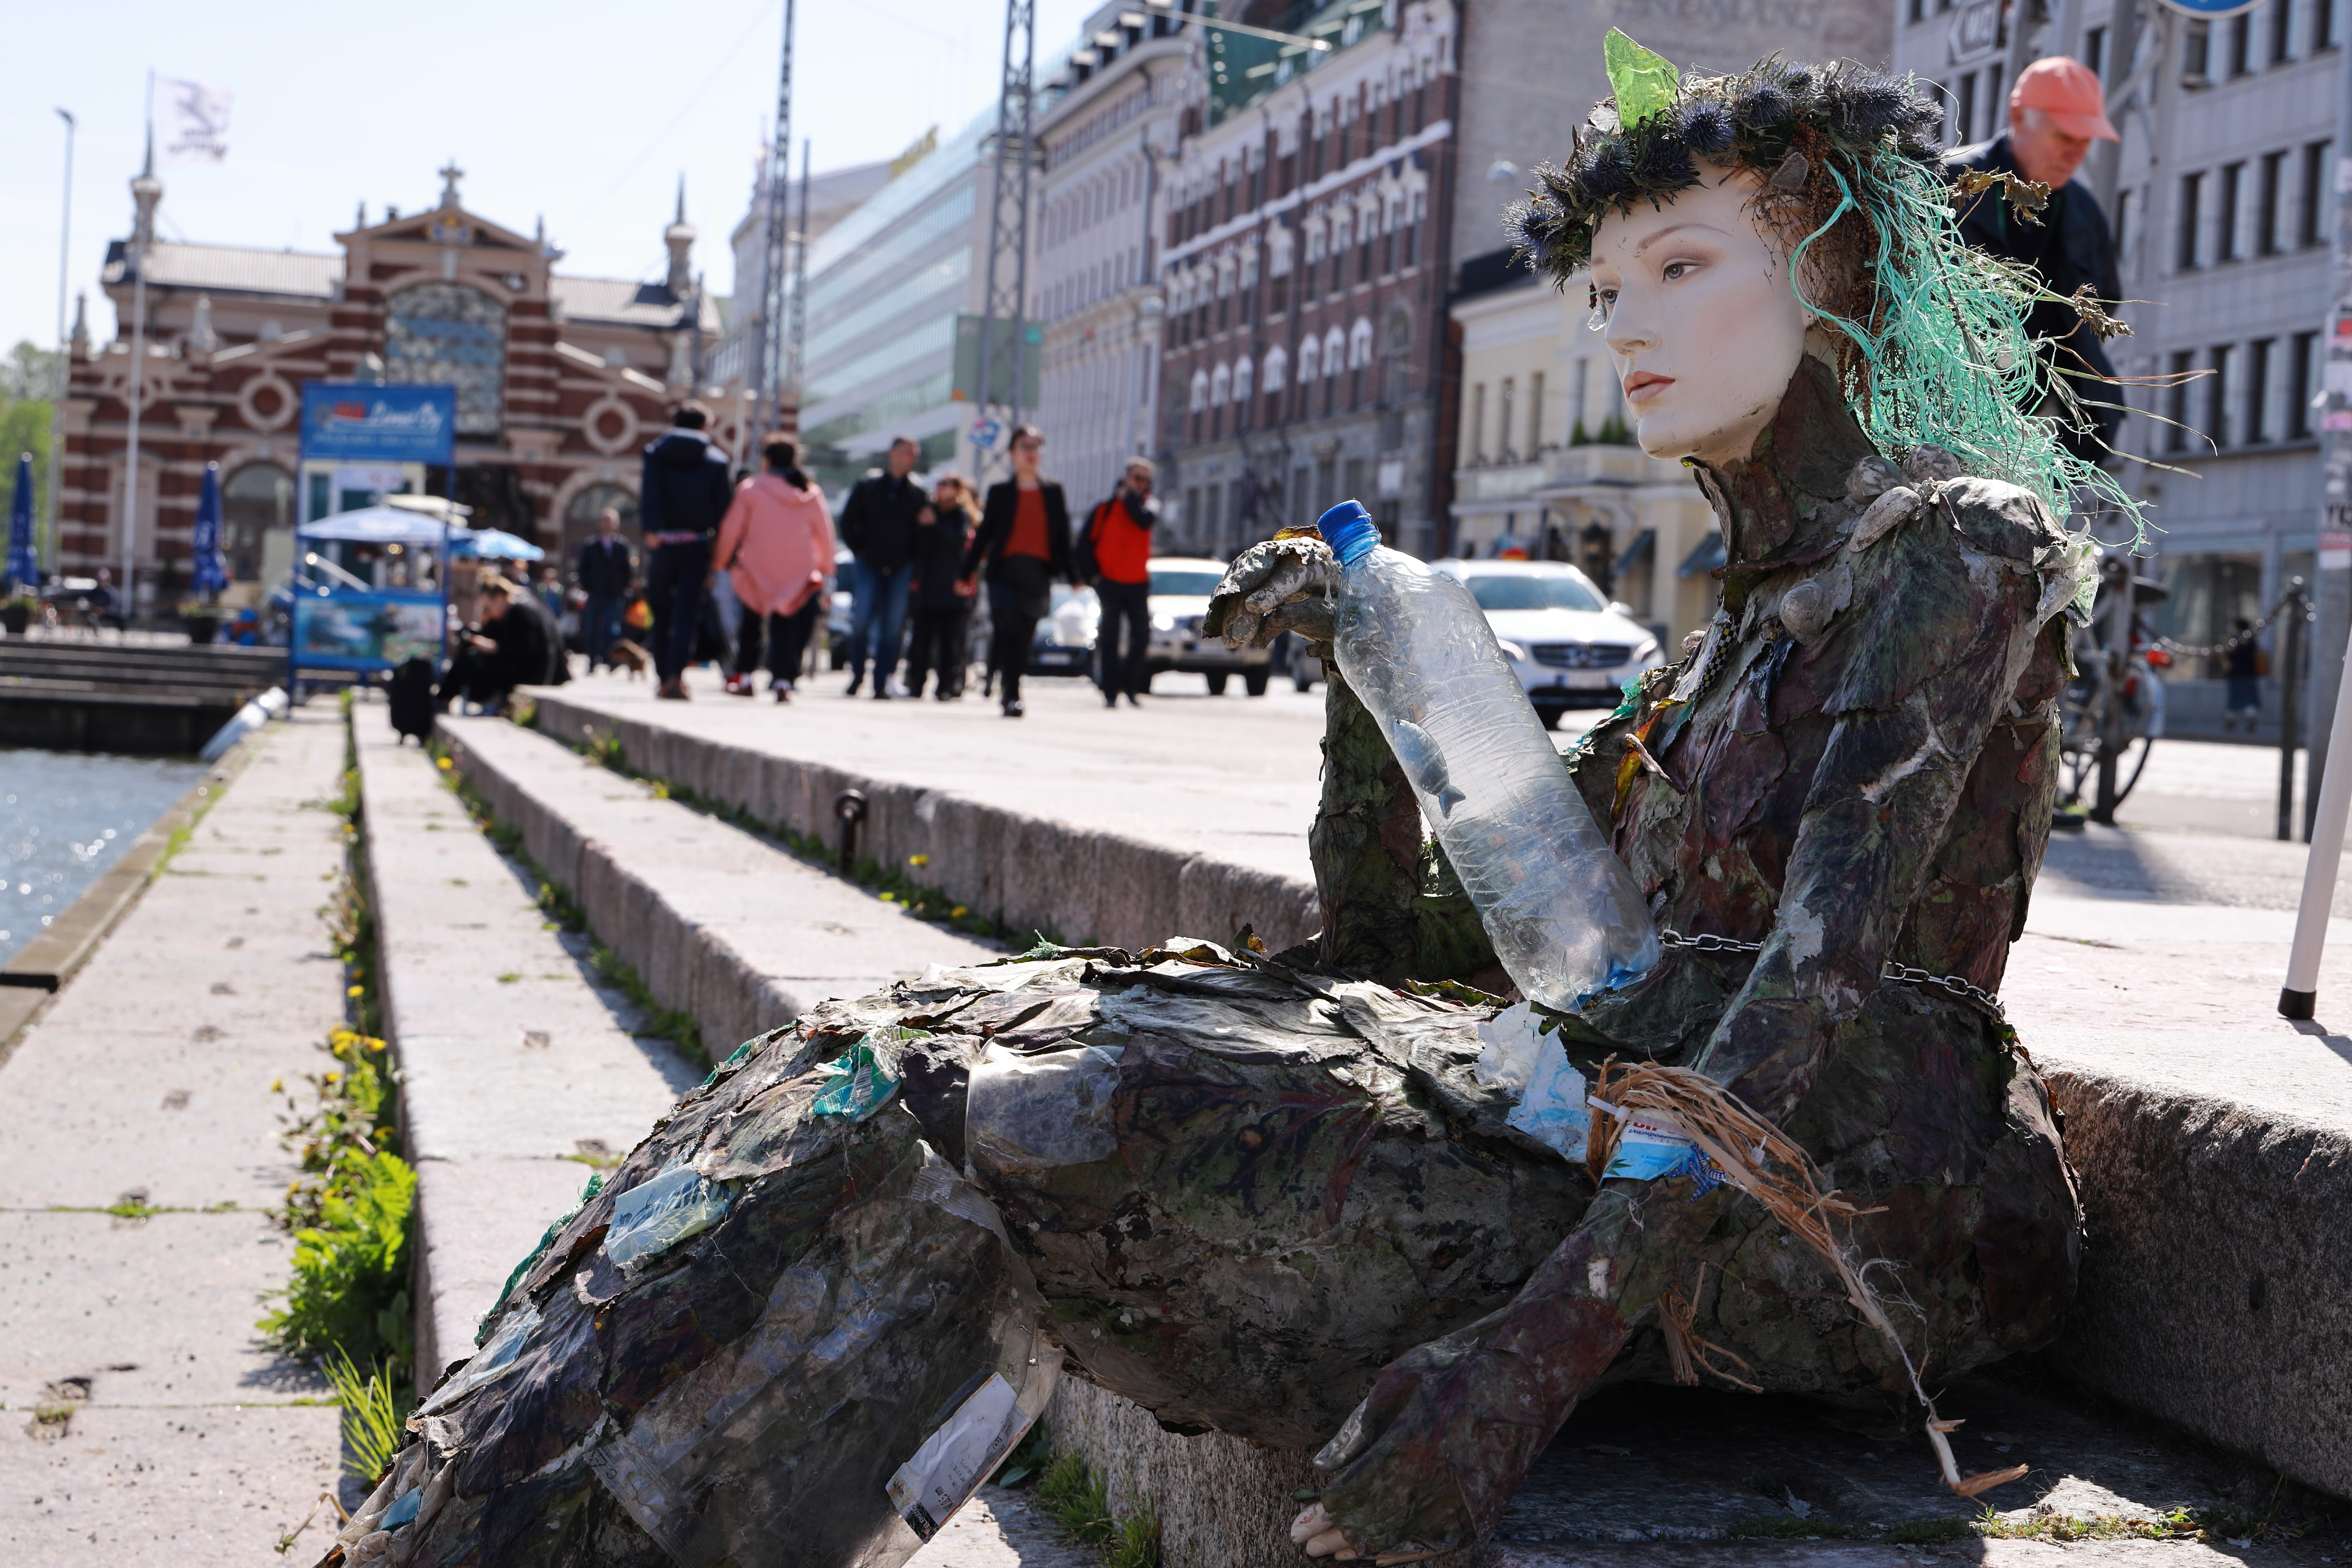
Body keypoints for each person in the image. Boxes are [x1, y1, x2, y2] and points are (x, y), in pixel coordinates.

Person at [340, 40, 2130, 1568]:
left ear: (1829, 261)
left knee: (977, 1111)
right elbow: (1408, 944)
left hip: (1861, 1208)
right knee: (861, 1061)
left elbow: (1804, 1007)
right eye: (1605, 290)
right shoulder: (1718, 640)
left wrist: (1517, 1373)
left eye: (1676, 265)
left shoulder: (1947, 551)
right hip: (1605, 1135)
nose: (1623, 327)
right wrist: (1365, 686)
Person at [1944, 55, 2123, 463]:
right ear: (2018, 116)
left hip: (2052, 431)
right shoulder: (1946, 182)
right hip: (1950, 407)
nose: (2077, 153)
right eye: (2065, 136)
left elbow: (2105, 305)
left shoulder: (2085, 211)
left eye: (2086, 141)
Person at [711, 436, 833, 703]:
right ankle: (783, 682)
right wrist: (826, 567)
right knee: (785, 626)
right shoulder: (810, 492)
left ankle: (745, 678)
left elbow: (731, 530)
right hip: (797, 570)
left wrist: (720, 562)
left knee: (751, 626)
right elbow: (824, 533)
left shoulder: (750, 490)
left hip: (756, 568)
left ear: (766, 460)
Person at [965, 426, 1072, 718]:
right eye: (1025, 446)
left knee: (1024, 637)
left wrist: (1075, 576)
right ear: (1012, 454)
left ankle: (1010, 685)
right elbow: (985, 535)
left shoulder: (1053, 492)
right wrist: (966, 573)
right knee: (1008, 627)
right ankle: (1012, 694)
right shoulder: (1000, 492)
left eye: (1036, 447)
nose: (1031, 453)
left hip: (1037, 574)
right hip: (1004, 573)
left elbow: (1062, 537)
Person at [638, 402, 735, 701]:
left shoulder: (656, 454)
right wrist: (719, 553)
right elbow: (723, 511)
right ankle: (676, 677)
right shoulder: (717, 461)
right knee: (687, 614)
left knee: (661, 613)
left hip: (662, 544)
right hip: (697, 544)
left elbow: (649, 492)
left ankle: (662, 677)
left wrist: (651, 529)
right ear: (705, 426)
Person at [836, 435, 926, 699]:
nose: (909, 458)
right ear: (892, 453)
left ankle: (881, 681)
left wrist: (912, 561)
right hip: (869, 564)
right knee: (861, 621)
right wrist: (860, 551)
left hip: (901, 568)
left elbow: (922, 533)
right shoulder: (869, 485)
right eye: (905, 452)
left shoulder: (917, 492)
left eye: (913, 454)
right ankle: (857, 676)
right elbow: (848, 521)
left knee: (893, 627)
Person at [1078, 458, 1158, 707]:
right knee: (1110, 639)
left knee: (1142, 637)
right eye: (1136, 478)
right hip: (1110, 583)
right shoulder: (1105, 509)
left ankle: (1131, 687)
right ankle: (1111, 692)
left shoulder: (1150, 506)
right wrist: (1093, 576)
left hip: (1137, 583)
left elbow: (1142, 521)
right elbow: (1084, 545)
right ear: (1126, 479)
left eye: (1145, 480)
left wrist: (1128, 498)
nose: (1141, 484)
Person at [435, 574, 563, 713]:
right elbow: (488, 634)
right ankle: (443, 698)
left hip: (534, 674)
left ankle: (443, 699)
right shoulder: (511, 609)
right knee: (468, 652)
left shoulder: (520, 612)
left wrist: (494, 647)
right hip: (528, 669)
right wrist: (467, 634)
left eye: (487, 609)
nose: (487, 613)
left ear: (499, 598)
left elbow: (525, 651)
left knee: (469, 660)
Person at [904, 474, 980, 700]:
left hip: (953, 586)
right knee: (921, 639)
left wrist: (934, 525)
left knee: (950, 641)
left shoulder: (961, 515)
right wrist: (923, 525)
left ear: (957, 490)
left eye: (946, 484)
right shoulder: (928, 511)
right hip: (928, 584)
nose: (941, 488)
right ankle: (916, 684)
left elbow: (958, 540)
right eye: (939, 484)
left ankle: (947, 686)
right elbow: (917, 544)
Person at [575, 510, 635, 670]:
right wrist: (587, 587)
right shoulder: (590, 545)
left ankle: (611, 661)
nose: (609, 524)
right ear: (600, 523)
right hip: (595, 594)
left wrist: (623, 587)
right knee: (592, 630)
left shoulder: (623, 545)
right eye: (606, 520)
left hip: (615, 595)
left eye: (612, 521)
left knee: (612, 629)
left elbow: (627, 570)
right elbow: (583, 569)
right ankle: (592, 661)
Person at [2223, 619, 2263, 734]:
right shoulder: (2251, 640)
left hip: (2236, 673)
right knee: (2250, 699)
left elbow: (2229, 656)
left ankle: (2230, 720)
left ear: (2237, 627)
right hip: (2250, 673)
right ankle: (2251, 717)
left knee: (2234, 699)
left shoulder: (2234, 640)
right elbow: (2256, 654)